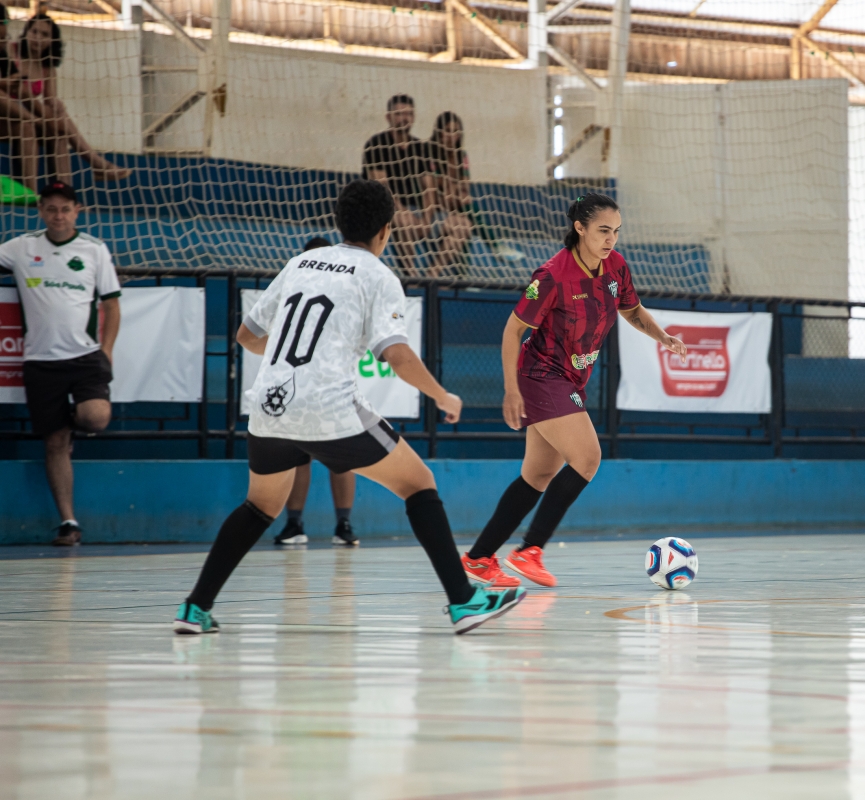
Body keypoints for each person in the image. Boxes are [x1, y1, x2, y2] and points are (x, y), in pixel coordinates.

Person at [174, 179, 524, 636]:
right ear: (386, 230)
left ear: (339, 222)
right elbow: (396, 354)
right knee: (419, 484)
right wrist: (442, 395)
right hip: (328, 406)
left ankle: (195, 608)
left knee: (259, 506)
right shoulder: (378, 275)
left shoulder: (299, 263)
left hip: (269, 407)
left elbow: (247, 336)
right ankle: (464, 601)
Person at [460, 193, 686, 588]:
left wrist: (662, 336)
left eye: (616, 231)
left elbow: (632, 310)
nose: (611, 239)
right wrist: (511, 390)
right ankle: (529, 550)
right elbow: (513, 330)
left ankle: (479, 558)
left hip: (570, 378)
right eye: (603, 230)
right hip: (541, 375)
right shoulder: (551, 275)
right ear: (579, 228)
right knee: (587, 457)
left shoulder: (616, 267)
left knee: (538, 474)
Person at [0, 182, 121, 546]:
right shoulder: (21, 247)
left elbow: (112, 304)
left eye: (65, 209)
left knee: (96, 417)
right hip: (40, 361)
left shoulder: (94, 249)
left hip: (85, 356)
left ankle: (71, 426)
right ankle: (69, 522)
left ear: (76, 211)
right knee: (54, 442)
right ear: (40, 211)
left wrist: (107, 350)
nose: (58, 216)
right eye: (51, 209)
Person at [274, 235, 360, 547]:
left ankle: (344, 524)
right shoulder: (290, 290)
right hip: (295, 383)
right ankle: (294, 524)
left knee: (342, 457)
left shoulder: (345, 292)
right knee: (298, 456)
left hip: (332, 385)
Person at [15, 13, 131, 184]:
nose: (37, 38)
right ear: (26, 32)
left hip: (32, 117)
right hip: (10, 114)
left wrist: (57, 104)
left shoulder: (48, 68)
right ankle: (96, 162)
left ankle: (65, 192)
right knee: (43, 125)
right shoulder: (12, 52)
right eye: (34, 31)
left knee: (60, 132)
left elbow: (50, 99)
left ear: (52, 41)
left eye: (44, 34)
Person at [362, 94, 434, 276]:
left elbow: (429, 188)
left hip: (414, 210)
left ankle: (433, 275)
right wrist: (403, 211)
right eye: (399, 114)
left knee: (460, 225)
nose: (404, 118)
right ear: (389, 117)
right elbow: (382, 188)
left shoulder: (420, 148)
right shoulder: (376, 144)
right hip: (381, 207)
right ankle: (411, 275)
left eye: (408, 114)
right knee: (404, 221)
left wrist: (426, 220)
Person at [427, 111, 472, 278]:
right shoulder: (430, 155)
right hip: (432, 213)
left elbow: (464, 191)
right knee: (466, 223)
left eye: (455, 131)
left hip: (453, 213)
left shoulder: (462, 156)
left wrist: (454, 191)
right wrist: (454, 190)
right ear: (439, 132)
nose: (452, 136)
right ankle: (493, 242)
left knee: (465, 225)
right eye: (447, 131)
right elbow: (437, 196)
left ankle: (435, 273)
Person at [0, 6, 38, 190]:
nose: (3, 41)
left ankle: (32, 194)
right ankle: (38, 121)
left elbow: (17, 83)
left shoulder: (2, 53)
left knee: (26, 127)